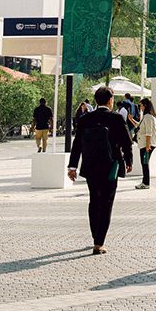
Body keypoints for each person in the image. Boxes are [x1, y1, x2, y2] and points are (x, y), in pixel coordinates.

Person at [67, 86, 133, 255]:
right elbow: (127, 142)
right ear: (110, 101)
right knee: (106, 202)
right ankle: (99, 242)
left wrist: (72, 166)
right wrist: (129, 161)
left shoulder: (85, 119)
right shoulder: (117, 118)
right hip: (110, 167)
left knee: (94, 201)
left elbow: (77, 145)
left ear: (95, 101)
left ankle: (95, 236)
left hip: (90, 166)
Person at [134, 98, 156, 189]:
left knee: (144, 163)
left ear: (145, 105)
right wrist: (131, 119)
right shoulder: (147, 116)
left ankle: (146, 183)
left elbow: (149, 132)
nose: (140, 107)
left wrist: (147, 145)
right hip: (145, 144)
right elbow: (140, 126)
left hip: (147, 144)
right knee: (144, 163)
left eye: (141, 105)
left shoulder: (148, 117)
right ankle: (145, 182)